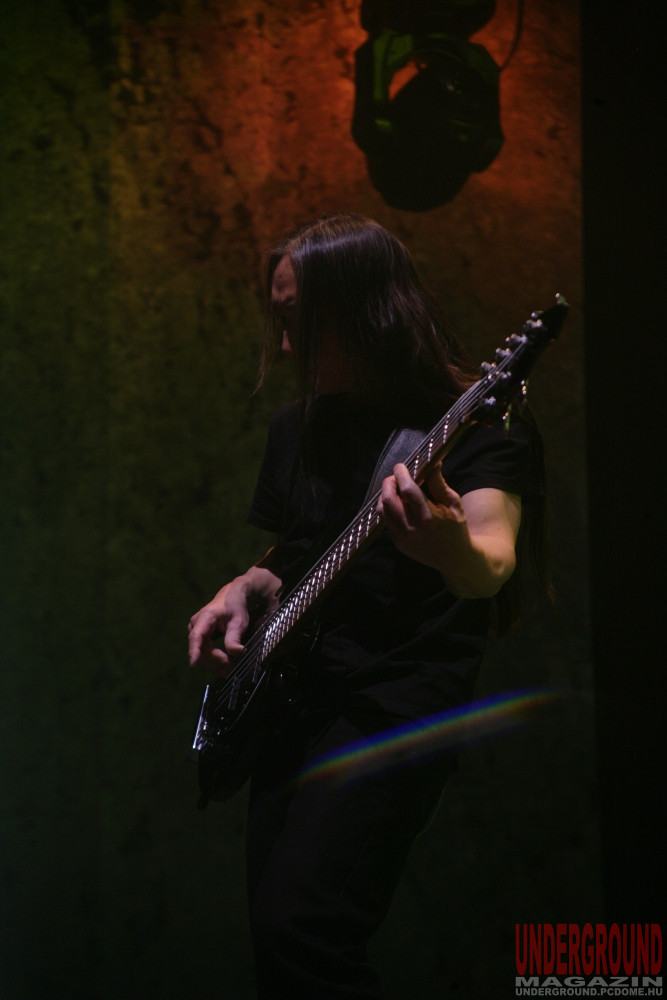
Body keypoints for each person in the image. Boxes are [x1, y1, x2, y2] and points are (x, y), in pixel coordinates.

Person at [188, 213, 545, 999]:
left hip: (389, 709)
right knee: (276, 946)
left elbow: (490, 563)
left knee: (304, 929)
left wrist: (444, 545)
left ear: (362, 312)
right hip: (291, 703)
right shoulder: (298, 427)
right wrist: (241, 587)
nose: (286, 347)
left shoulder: (472, 424)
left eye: (299, 322)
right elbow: (293, 553)